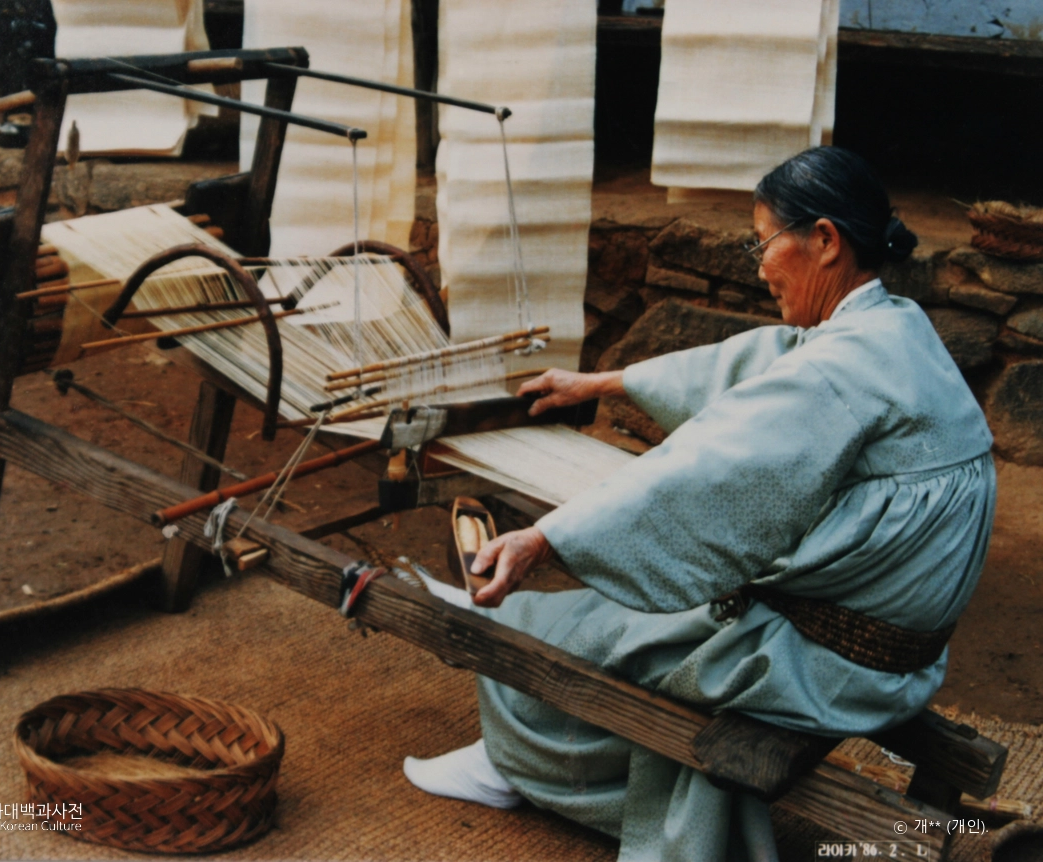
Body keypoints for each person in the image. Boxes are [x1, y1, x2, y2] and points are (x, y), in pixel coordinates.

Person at [402, 147, 997, 861]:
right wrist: (602, 385)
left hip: (825, 662)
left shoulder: (842, 366)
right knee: (650, 595)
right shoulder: (893, 327)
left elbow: (709, 467)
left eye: (763, 241)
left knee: (581, 622)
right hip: (900, 649)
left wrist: (547, 539)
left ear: (826, 240)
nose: (758, 264)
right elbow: (764, 362)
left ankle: (507, 764)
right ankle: (511, 749)